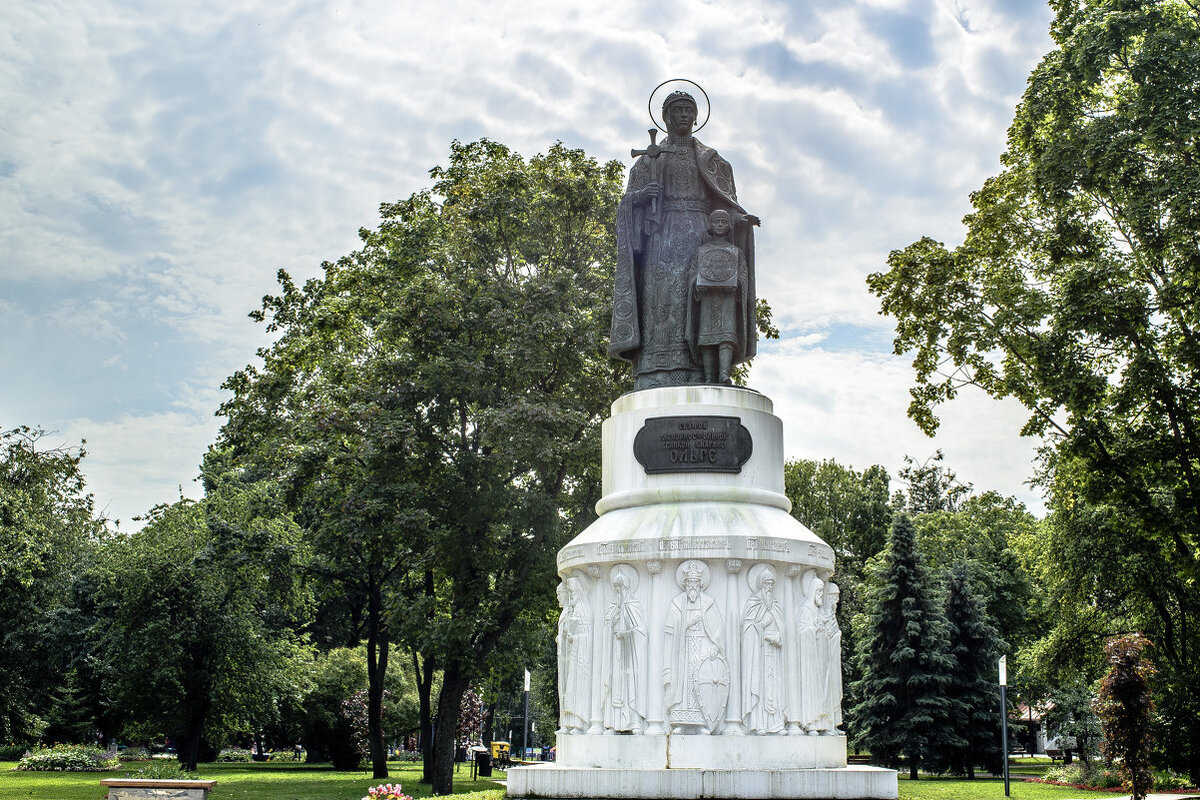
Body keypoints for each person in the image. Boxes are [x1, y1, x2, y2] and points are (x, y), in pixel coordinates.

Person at [610, 90, 760, 389]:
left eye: (689, 111)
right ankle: (656, 370)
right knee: (661, 299)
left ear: (696, 117)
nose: (684, 116)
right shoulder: (648, 161)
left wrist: (738, 223)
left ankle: (706, 371)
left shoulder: (714, 162)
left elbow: (725, 208)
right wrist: (640, 197)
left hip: (701, 241)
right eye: (677, 110)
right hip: (661, 240)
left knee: (705, 301)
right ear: (665, 117)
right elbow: (626, 205)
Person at [663, 559, 728, 733]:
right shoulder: (677, 603)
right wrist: (685, 624)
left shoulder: (708, 603)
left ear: (700, 584)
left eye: (695, 582)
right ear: (685, 584)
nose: (692, 586)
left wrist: (715, 646)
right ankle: (679, 721)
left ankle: (702, 723)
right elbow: (670, 630)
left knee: (702, 683)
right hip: (682, 650)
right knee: (683, 685)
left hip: (703, 649)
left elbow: (718, 630)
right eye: (689, 582)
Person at [690, 209, 752, 384]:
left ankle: (724, 374)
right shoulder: (701, 251)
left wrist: (736, 284)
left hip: (727, 299)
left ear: (728, 226)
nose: (719, 225)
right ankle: (709, 377)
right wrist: (697, 283)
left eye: (723, 222)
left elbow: (743, 274)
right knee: (707, 339)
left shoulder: (735, 252)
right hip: (708, 299)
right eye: (716, 221)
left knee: (726, 337)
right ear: (711, 225)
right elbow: (692, 273)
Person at [740, 563, 786, 734]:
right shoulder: (753, 602)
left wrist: (778, 637)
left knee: (775, 686)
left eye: (772, 584)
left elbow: (782, 627)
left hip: (773, 653)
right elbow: (747, 628)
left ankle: (776, 724)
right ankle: (759, 724)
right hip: (758, 654)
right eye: (766, 584)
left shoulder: (775, 604)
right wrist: (761, 626)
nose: (769, 587)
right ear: (760, 584)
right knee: (759, 685)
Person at [602, 563, 647, 732]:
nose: (618, 589)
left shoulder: (633, 604)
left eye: (620, 586)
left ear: (627, 586)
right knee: (615, 685)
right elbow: (606, 627)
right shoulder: (613, 606)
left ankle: (634, 721)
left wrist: (627, 634)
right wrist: (612, 624)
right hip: (616, 654)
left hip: (630, 654)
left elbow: (641, 631)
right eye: (615, 587)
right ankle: (614, 723)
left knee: (631, 684)